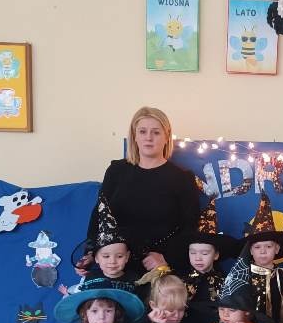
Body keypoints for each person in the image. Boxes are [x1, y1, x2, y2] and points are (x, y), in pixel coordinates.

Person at [83, 107, 201, 274]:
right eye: (143, 131)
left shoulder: (182, 178)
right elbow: (99, 214)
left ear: (167, 136)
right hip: (115, 264)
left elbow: (189, 228)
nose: (149, 138)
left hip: (158, 266)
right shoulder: (116, 171)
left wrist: (166, 257)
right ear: (135, 136)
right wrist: (90, 253)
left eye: (156, 132)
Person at [245, 191, 283, 323]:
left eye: (268, 247)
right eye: (257, 247)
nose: (263, 251)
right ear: (250, 250)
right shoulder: (242, 277)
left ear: (277, 249)